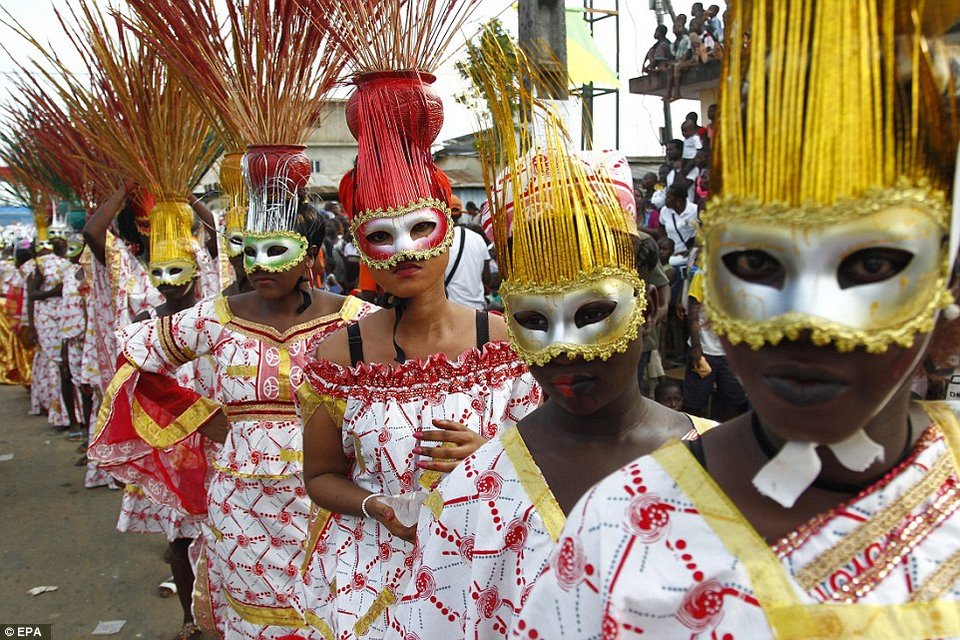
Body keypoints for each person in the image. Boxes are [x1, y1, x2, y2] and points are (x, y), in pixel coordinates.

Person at [513, 2, 960, 636]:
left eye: (870, 266)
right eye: (756, 263)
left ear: (946, 284)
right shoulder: (615, 531)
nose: (805, 324)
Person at [385, 54, 711, 637]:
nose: (563, 350)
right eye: (534, 319)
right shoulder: (471, 493)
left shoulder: (729, 470)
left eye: (594, 313)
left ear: (648, 306)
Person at [298, 31, 539, 639]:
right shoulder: (340, 353)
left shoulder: (505, 342)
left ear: (449, 228)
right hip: (373, 582)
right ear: (360, 247)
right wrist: (376, 505)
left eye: (419, 228)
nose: (404, 251)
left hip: (487, 575)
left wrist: (490, 458)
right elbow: (320, 476)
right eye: (381, 236)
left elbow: (554, 456)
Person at [683, 263, 748, 419]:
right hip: (705, 352)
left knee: (734, 402)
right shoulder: (703, 275)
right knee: (695, 404)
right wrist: (696, 348)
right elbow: (693, 314)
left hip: (730, 354)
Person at [444, 221, 491, 310]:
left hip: (453, 307)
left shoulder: (445, 239)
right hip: (477, 308)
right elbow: (487, 278)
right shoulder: (479, 239)